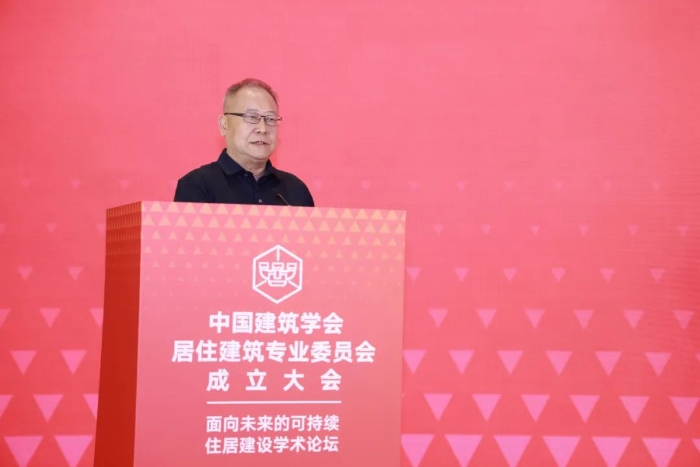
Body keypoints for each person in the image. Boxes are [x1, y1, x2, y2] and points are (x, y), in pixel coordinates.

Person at [174, 78, 314, 207]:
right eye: (252, 117)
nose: (263, 129)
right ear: (224, 125)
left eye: (270, 119)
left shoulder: (296, 190)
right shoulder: (197, 186)